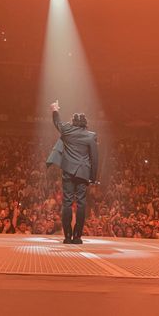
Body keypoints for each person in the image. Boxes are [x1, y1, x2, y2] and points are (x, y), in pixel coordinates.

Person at [46, 100, 98, 244]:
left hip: (68, 171)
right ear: (85, 123)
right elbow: (95, 158)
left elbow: (57, 122)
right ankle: (78, 237)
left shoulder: (68, 131)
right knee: (81, 204)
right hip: (83, 172)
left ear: (73, 122)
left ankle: (67, 236)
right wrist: (93, 177)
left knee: (67, 204)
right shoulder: (91, 136)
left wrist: (55, 109)